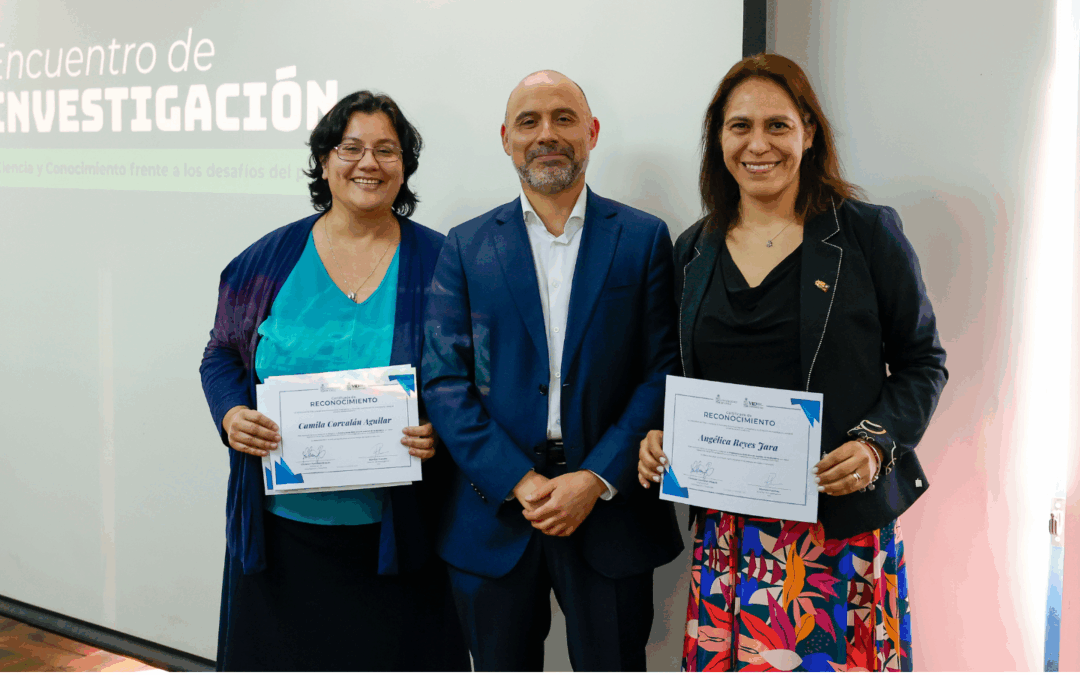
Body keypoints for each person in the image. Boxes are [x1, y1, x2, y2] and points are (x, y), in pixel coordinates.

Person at [638, 54, 947, 672]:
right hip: (733, 538)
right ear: (717, 139)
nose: (758, 144)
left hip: (836, 534)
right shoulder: (693, 250)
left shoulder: (864, 234)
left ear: (808, 130)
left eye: (777, 125)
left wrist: (872, 447)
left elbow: (923, 362)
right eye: (739, 126)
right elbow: (682, 374)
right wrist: (661, 434)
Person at [421, 70, 684, 671]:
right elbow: (444, 380)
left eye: (564, 118)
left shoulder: (643, 239)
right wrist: (518, 479)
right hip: (493, 512)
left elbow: (661, 370)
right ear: (506, 138)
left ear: (591, 133)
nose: (547, 134)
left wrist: (594, 478)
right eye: (529, 121)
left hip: (608, 509)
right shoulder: (464, 246)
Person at [199, 90, 468, 672]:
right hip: (282, 544)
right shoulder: (268, 260)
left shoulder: (443, 263)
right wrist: (229, 413)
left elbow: (476, 378)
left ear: (405, 166)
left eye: (386, 150)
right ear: (325, 160)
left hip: (397, 543)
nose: (368, 163)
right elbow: (221, 353)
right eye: (351, 147)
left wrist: (440, 432)